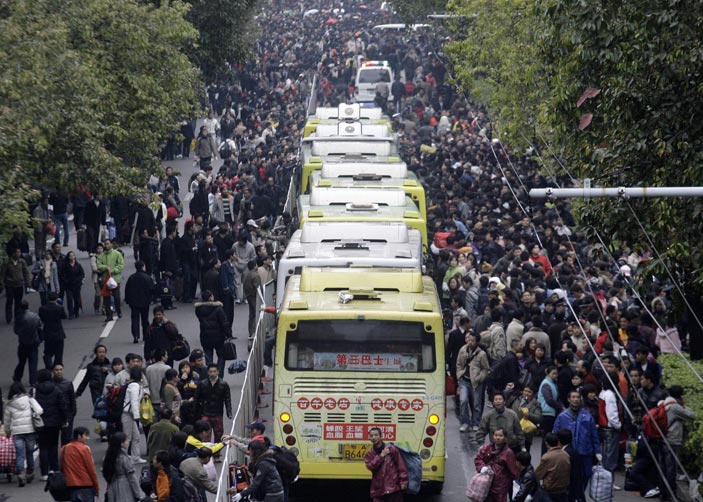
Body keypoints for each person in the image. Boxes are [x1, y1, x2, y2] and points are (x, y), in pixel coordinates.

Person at [553, 390, 601, 502]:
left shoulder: (587, 416)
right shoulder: (562, 416)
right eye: (573, 397)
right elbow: (555, 434)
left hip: (585, 452)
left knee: (585, 476)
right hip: (568, 454)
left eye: (578, 397)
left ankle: (579, 497)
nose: (575, 400)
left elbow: (594, 435)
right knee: (569, 479)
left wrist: (598, 451)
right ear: (568, 399)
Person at [3, 381, 42, 486]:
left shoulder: (9, 404)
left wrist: (7, 432)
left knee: (19, 454)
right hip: (30, 430)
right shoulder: (29, 399)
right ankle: (30, 472)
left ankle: (20, 473)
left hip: (17, 432)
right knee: (29, 452)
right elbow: (39, 410)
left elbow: (7, 421)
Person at [34, 368, 68, 481]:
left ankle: (44, 472)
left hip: (40, 423)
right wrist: (64, 420)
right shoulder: (56, 389)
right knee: (53, 445)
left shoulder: (35, 391)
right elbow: (62, 406)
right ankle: (55, 468)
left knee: (43, 446)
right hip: (55, 422)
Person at [456, 331, 489, 432]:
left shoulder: (481, 354)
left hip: (476, 382)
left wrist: (480, 378)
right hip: (464, 380)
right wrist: (459, 374)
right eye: (469, 340)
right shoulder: (463, 350)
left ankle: (476, 423)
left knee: (476, 404)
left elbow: (486, 368)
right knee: (463, 400)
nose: (470, 342)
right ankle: (465, 422)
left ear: (477, 342)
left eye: (473, 341)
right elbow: (459, 364)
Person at [474, 428, 520, 502]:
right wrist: (482, 467)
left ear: (505, 438)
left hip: (500, 486)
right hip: (486, 482)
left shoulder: (509, 453)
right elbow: (478, 459)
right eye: (496, 435)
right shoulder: (487, 448)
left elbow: (513, 471)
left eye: (500, 436)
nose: (497, 438)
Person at [364, 427, 408, 502]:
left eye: (376, 435)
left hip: (393, 488)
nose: (373, 437)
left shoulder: (391, 449)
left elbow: (401, 466)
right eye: (371, 436)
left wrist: (403, 482)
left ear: (381, 436)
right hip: (378, 489)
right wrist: (381, 456)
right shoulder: (369, 454)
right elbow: (371, 466)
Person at [76, 344, 110, 439]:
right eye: (100, 352)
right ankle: (103, 433)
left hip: (108, 392)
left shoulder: (110, 365)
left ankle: (107, 430)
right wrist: (78, 393)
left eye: (103, 352)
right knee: (100, 412)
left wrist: (108, 370)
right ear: (96, 353)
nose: (102, 354)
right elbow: (85, 380)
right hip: (96, 392)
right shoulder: (91, 367)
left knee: (108, 412)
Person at [198, 363, 232, 457]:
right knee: (205, 435)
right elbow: (197, 399)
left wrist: (229, 411)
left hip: (218, 413)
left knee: (218, 434)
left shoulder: (224, 384)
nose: (212, 373)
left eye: (214, 371)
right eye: (210, 372)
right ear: (208, 372)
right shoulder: (202, 384)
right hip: (206, 413)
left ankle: (217, 454)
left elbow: (227, 399)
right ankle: (206, 454)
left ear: (218, 372)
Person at [195, 290, 232, 375]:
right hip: (218, 337)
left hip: (205, 337)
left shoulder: (199, 309)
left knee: (208, 358)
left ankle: (210, 374)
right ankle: (219, 374)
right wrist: (229, 334)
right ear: (211, 297)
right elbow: (224, 323)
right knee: (221, 356)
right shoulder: (218, 309)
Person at [102, 431, 145, 502]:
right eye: (126, 440)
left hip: (112, 487)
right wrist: (138, 495)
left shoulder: (108, 457)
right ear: (121, 443)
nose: (128, 442)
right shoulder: (124, 458)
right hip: (124, 487)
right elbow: (132, 478)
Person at [61, 427, 100, 502]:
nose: (88, 438)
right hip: (85, 485)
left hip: (71, 485)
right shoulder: (84, 449)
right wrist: (96, 487)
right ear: (79, 436)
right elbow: (91, 469)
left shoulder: (64, 448)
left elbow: (62, 467)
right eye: (86, 435)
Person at [124, 260, 157, 343]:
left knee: (135, 319)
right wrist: (151, 298)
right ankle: (145, 335)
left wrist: (127, 300)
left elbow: (127, 290)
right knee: (145, 319)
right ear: (143, 267)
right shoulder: (147, 277)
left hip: (134, 302)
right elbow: (152, 289)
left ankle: (135, 335)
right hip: (145, 301)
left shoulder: (131, 277)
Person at [13, 299, 43, 386]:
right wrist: (40, 339)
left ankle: (17, 377)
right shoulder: (35, 316)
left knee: (21, 361)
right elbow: (40, 328)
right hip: (34, 342)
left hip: (23, 342)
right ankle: (33, 380)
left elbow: (16, 330)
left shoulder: (19, 317)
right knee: (33, 362)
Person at [535, 432, 571, 502]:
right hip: (564, 489)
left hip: (550, 490)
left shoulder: (547, 457)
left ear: (546, 443)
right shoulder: (566, 455)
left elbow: (538, 475)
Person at [122, 366, 147, 465]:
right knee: (127, 438)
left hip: (130, 414)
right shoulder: (134, 386)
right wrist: (137, 416)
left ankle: (135, 457)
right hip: (128, 414)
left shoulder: (133, 385)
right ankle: (123, 459)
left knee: (136, 436)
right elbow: (134, 401)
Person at [507, 385, 543, 450]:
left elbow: (539, 418)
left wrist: (529, 415)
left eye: (529, 392)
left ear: (533, 394)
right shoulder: (516, 399)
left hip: (525, 434)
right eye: (525, 391)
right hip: (512, 432)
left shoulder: (535, 404)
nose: (526, 393)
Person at [96, 238, 124, 322]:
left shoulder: (117, 254)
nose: (106, 245)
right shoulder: (101, 256)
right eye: (105, 244)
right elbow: (99, 265)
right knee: (106, 299)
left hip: (115, 279)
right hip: (105, 279)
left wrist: (114, 270)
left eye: (108, 243)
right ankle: (109, 315)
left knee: (117, 297)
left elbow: (121, 265)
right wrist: (105, 267)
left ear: (111, 244)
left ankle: (118, 310)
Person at [1, 247, 31, 323]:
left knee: (18, 302)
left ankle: (17, 316)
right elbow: (2, 274)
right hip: (9, 285)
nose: (19, 254)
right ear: (13, 253)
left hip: (19, 284)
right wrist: (2, 284)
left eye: (19, 252)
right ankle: (8, 316)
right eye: (17, 252)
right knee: (9, 301)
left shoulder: (22, 262)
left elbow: (26, 273)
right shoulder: (7, 262)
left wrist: (28, 283)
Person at [39, 291, 67, 369]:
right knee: (59, 354)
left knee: (48, 352)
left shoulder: (42, 308)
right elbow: (64, 316)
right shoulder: (60, 308)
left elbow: (41, 318)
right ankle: (57, 368)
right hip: (58, 333)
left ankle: (48, 364)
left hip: (48, 332)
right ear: (56, 299)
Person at [53, 363, 77, 446]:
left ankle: (65, 453)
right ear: (53, 371)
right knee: (53, 439)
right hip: (54, 414)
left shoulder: (68, 383)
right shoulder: (50, 384)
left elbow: (72, 398)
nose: (59, 372)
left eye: (61, 370)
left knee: (66, 438)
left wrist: (73, 412)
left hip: (67, 414)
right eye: (56, 370)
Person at [145, 349, 171, 424]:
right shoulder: (167, 368)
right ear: (162, 357)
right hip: (164, 401)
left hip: (152, 400)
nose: (167, 356)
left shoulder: (148, 369)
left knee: (154, 424)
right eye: (166, 355)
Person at [61, 251, 85, 319]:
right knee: (69, 299)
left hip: (77, 285)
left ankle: (76, 311)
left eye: (73, 255)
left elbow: (82, 274)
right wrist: (66, 281)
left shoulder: (78, 265)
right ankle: (71, 313)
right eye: (70, 256)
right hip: (68, 285)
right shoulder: (65, 265)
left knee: (77, 299)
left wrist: (78, 280)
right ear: (68, 257)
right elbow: (62, 275)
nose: (72, 257)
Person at [243, 259, 262, 336]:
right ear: (254, 266)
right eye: (256, 265)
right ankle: (255, 331)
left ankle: (250, 331)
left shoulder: (247, 274)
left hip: (249, 296)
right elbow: (257, 288)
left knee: (251, 314)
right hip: (254, 297)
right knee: (256, 313)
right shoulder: (256, 275)